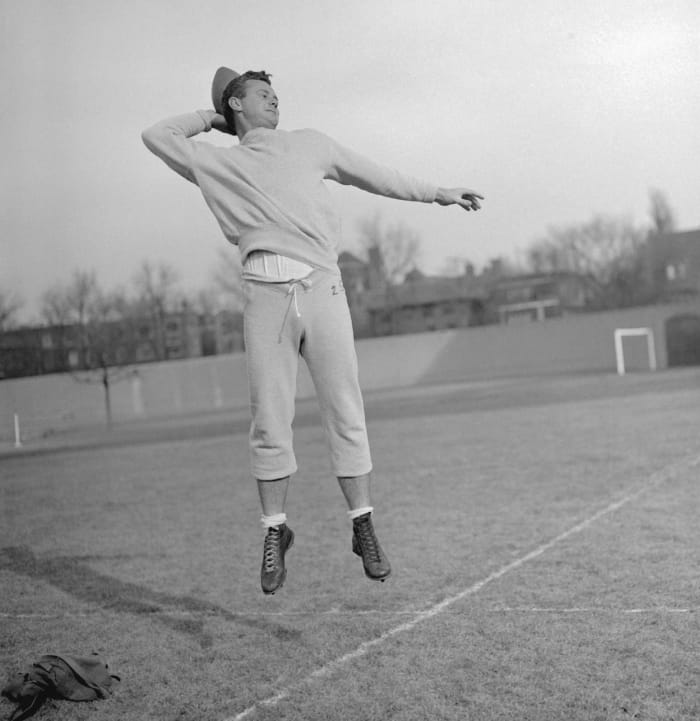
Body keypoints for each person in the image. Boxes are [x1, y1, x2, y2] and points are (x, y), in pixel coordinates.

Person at [142, 67, 483, 596]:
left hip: (322, 290)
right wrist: (213, 118)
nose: (275, 99)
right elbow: (156, 136)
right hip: (264, 298)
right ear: (236, 104)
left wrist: (438, 193)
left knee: (346, 409)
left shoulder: (311, 145)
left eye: (276, 94)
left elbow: (377, 175)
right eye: (260, 94)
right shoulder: (218, 162)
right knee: (269, 419)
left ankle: (363, 525)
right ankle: (275, 533)